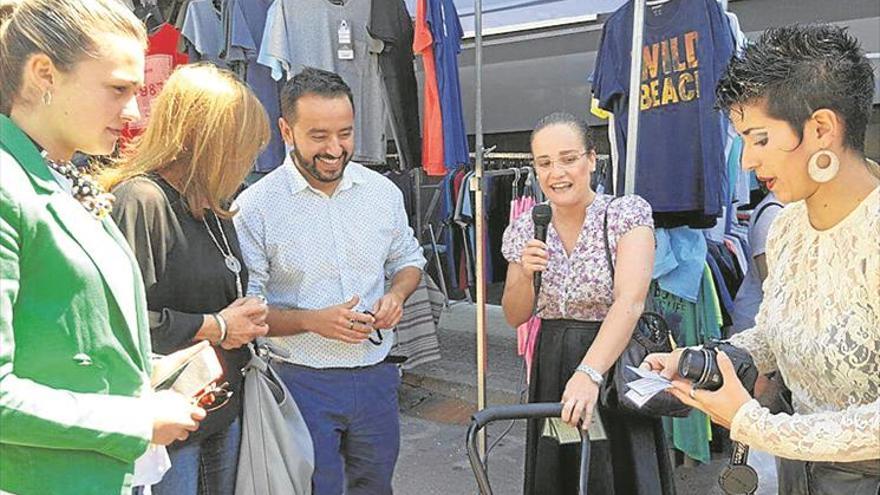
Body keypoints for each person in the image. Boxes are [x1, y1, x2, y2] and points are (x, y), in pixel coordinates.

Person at [643, 24, 880, 494]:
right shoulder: (788, 226)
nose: (746, 161)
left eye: (759, 138)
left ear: (821, 129)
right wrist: (703, 359)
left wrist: (754, 423)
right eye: (742, 140)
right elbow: (776, 332)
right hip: (802, 474)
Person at [0, 1, 206, 494]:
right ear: (44, 73)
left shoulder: (56, 172)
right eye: (118, 89)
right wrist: (134, 420)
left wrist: (143, 370)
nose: (134, 112)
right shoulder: (10, 186)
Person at [233, 67, 425, 495]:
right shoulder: (256, 207)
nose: (335, 149)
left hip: (376, 377)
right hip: (299, 380)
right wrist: (311, 321)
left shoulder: (382, 193)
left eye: (345, 133)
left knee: (376, 486)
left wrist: (396, 294)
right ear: (286, 130)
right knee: (314, 488)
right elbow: (248, 306)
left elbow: (409, 258)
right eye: (318, 136)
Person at [101, 63, 271, 494]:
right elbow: (123, 324)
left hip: (219, 410)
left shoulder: (211, 204)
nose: (249, 159)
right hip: (169, 423)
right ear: (205, 139)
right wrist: (217, 327)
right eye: (242, 146)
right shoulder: (142, 201)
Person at [501, 112, 673, 494]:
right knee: (563, 470)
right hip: (555, 367)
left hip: (613, 365)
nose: (556, 173)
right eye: (544, 163)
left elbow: (630, 301)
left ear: (591, 160)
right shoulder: (527, 226)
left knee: (619, 470)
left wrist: (589, 374)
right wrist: (524, 274)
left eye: (568, 158)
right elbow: (515, 314)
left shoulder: (626, 214)